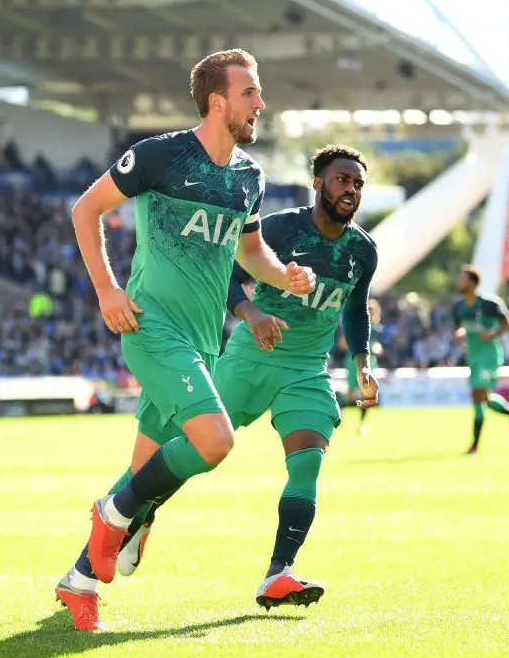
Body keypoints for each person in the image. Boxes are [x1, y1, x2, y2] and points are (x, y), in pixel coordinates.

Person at [56, 48, 315, 631]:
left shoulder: (249, 175)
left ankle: (78, 582)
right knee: (216, 442)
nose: (260, 103)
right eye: (250, 92)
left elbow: (251, 255)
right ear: (218, 100)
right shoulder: (160, 155)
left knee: (143, 487)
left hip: (203, 343)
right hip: (150, 329)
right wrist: (107, 290)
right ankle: (111, 516)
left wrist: (287, 277)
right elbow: (86, 208)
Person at [114, 144, 379, 611]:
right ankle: (129, 515)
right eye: (341, 180)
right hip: (250, 357)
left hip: (307, 370)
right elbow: (227, 272)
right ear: (318, 183)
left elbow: (355, 309)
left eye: (357, 183)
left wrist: (363, 363)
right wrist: (251, 312)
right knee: (191, 448)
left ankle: (279, 574)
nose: (350, 190)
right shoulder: (280, 227)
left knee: (307, 462)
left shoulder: (363, 251)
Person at [452, 265, 509, 455]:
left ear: (472, 282)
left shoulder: (490, 303)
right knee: (482, 398)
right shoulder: (459, 307)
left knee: (478, 395)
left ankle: (475, 445)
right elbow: (459, 327)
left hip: (489, 356)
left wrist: (493, 333)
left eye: (462, 279)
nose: (459, 282)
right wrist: (459, 334)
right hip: (473, 357)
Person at [340, 298, 383, 434]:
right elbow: (342, 343)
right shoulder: (354, 326)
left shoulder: (377, 329)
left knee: (368, 392)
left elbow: (379, 346)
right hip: (354, 362)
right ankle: (340, 416)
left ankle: (362, 424)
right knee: (351, 393)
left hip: (371, 363)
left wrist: (376, 348)